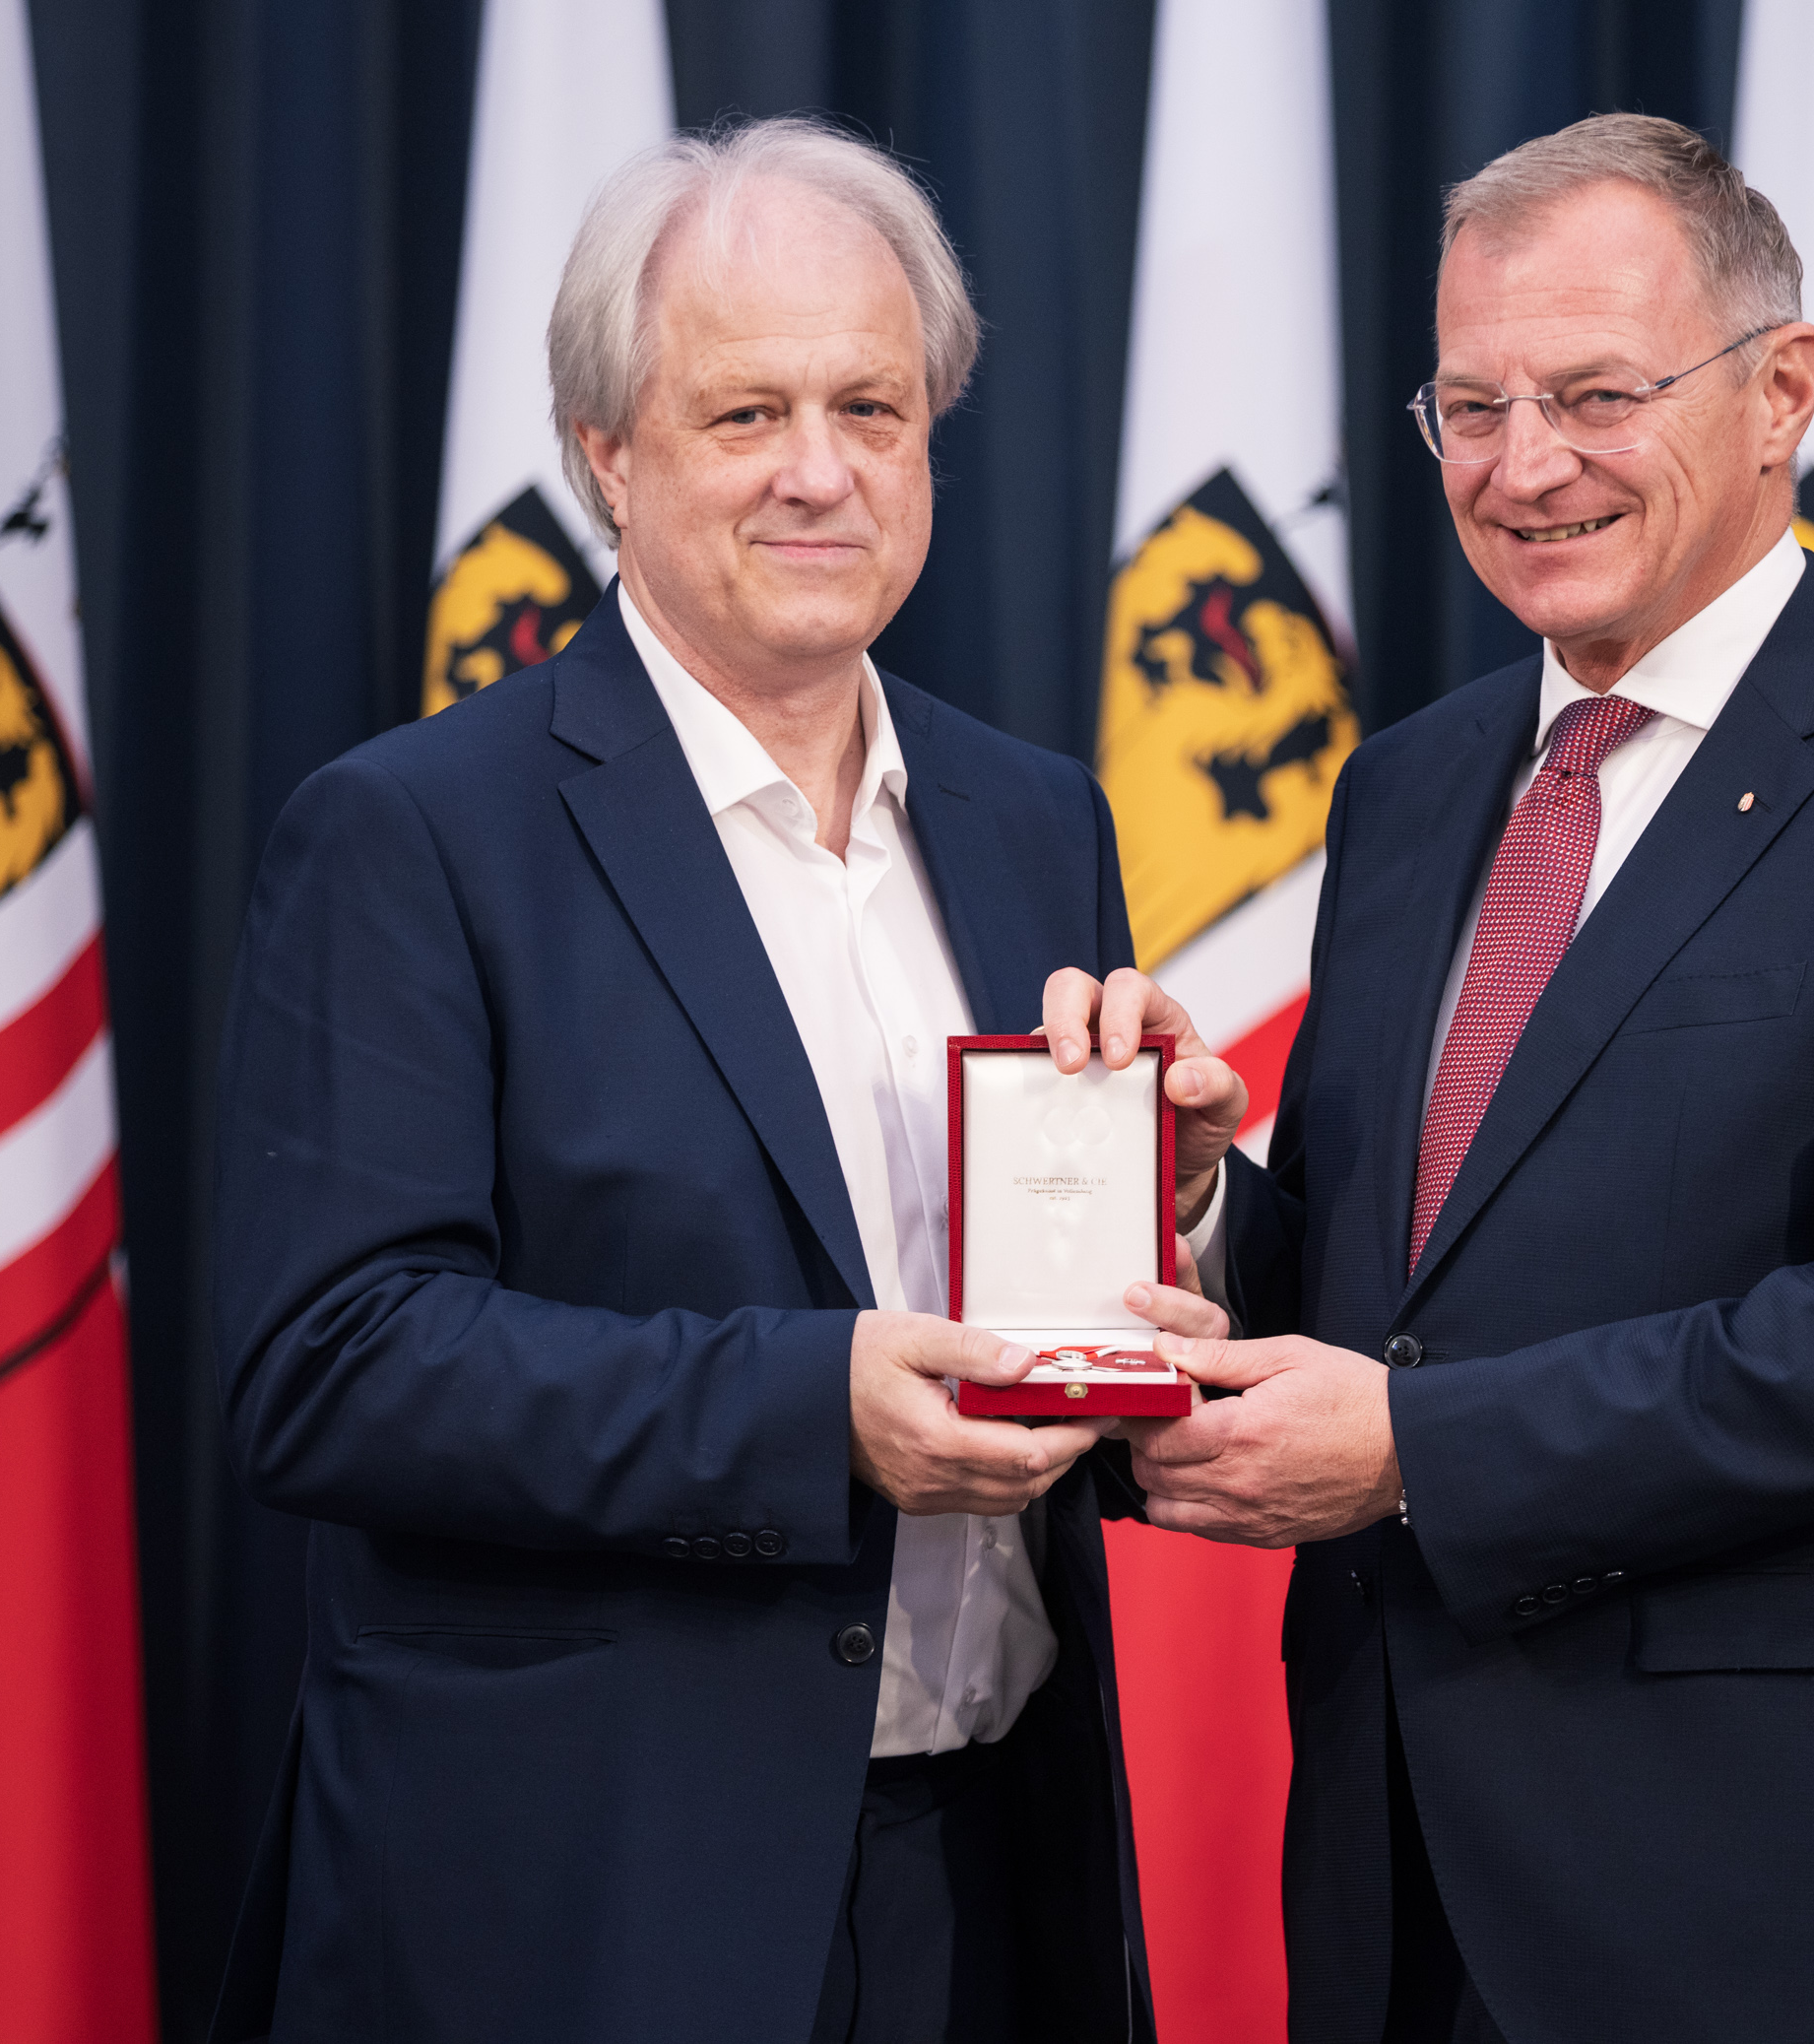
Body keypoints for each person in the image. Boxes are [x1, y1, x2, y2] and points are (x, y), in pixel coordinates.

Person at [1048, 113, 1814, 2044]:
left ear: (1781, 389)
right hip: (1398, 1878)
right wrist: (1196, 1195)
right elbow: (1400, 1309)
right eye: (1470, 408)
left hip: (1769, 1901)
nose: (1524, 464)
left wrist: (1422, 1453)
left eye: (1597, 394)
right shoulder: (1407, 788)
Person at [210, 120, 1241, 2043]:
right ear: (607, 451)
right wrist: (809, 1408)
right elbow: (330, 1368)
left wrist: (1168, 1200)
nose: (818, 473)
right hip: (592, 1908)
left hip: (994, 1880)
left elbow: (1066, 1327)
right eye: (746, 413)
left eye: (870, 408)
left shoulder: (1035, 819)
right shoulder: (414, 834)